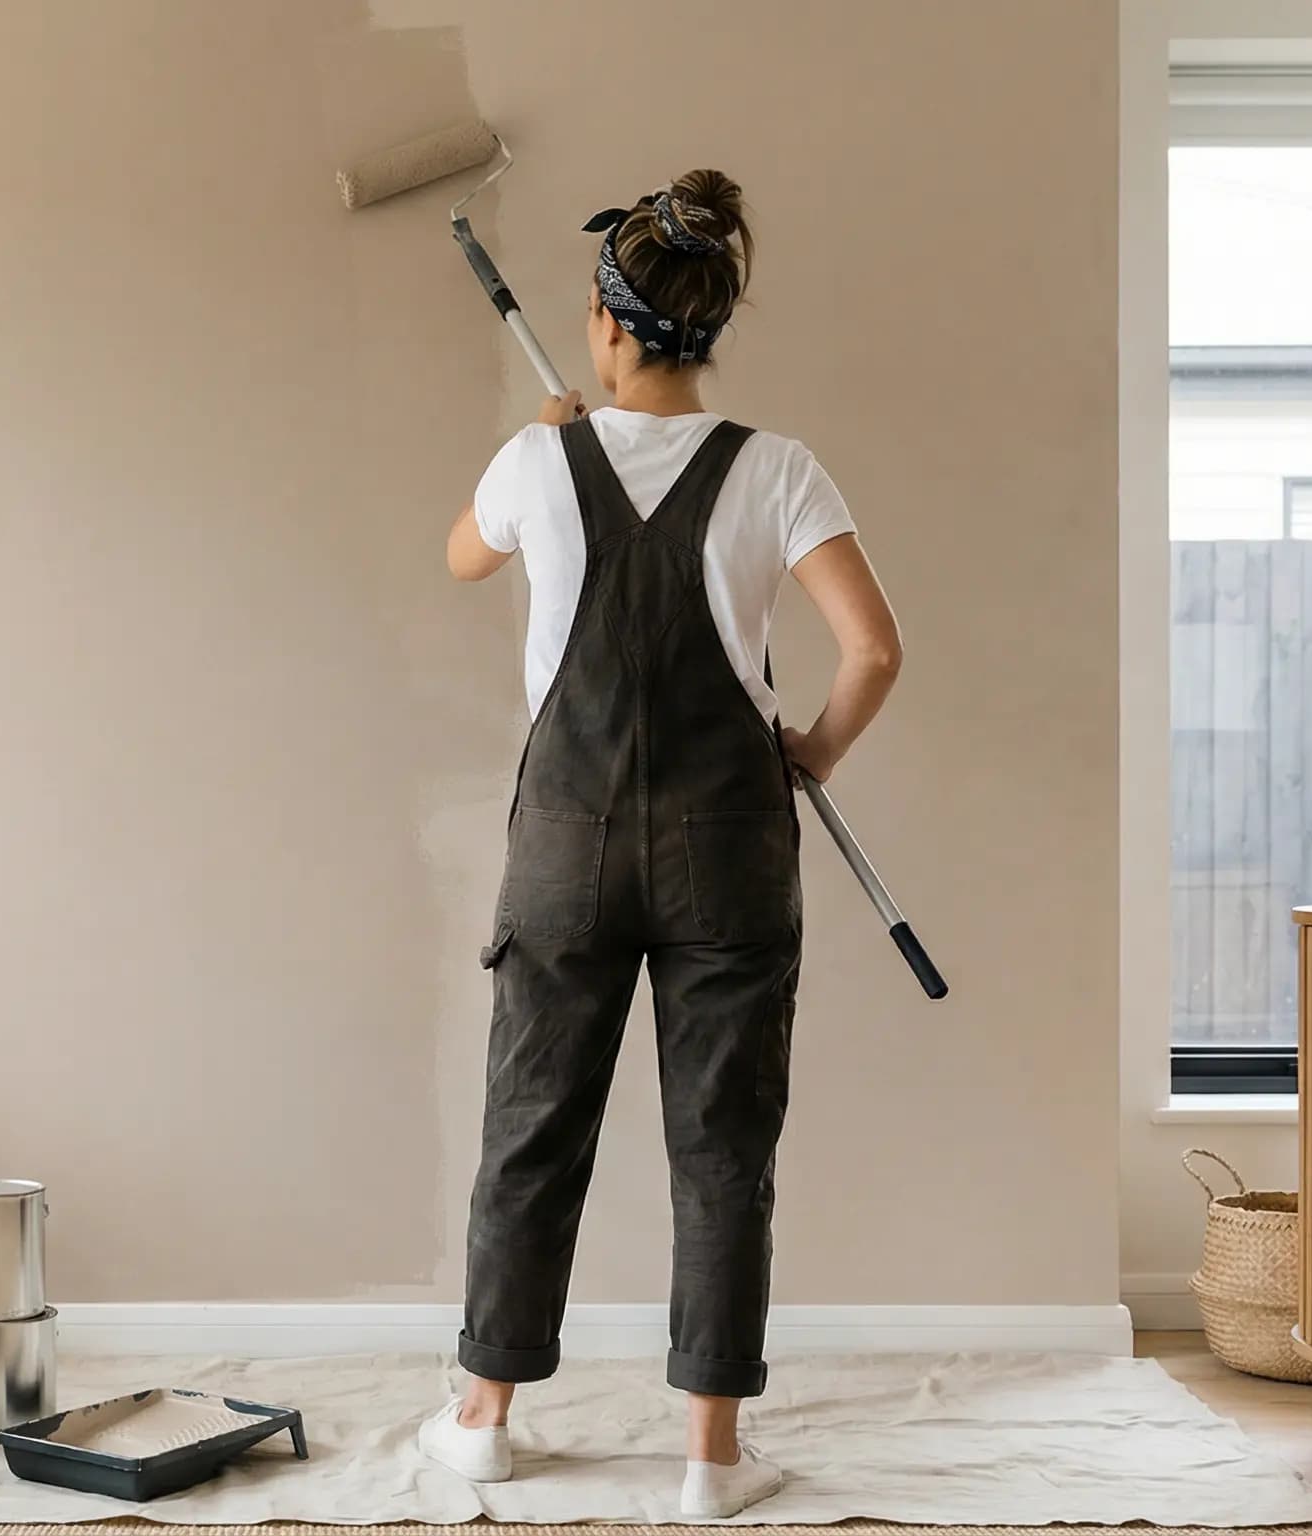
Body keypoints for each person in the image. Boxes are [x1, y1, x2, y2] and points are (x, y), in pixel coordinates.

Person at [420, 169, 904, 1520]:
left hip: (565, 850)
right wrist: (808, 746)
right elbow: (873, 652)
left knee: (531, 1129)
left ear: (605, 323)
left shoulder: (535, 467)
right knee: (722, 1143)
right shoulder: (776, 468)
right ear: (707, 324)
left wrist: (546, 440)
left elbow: (462, 555)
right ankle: (709, 1458)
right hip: (727, 853)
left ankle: (483, 1420)